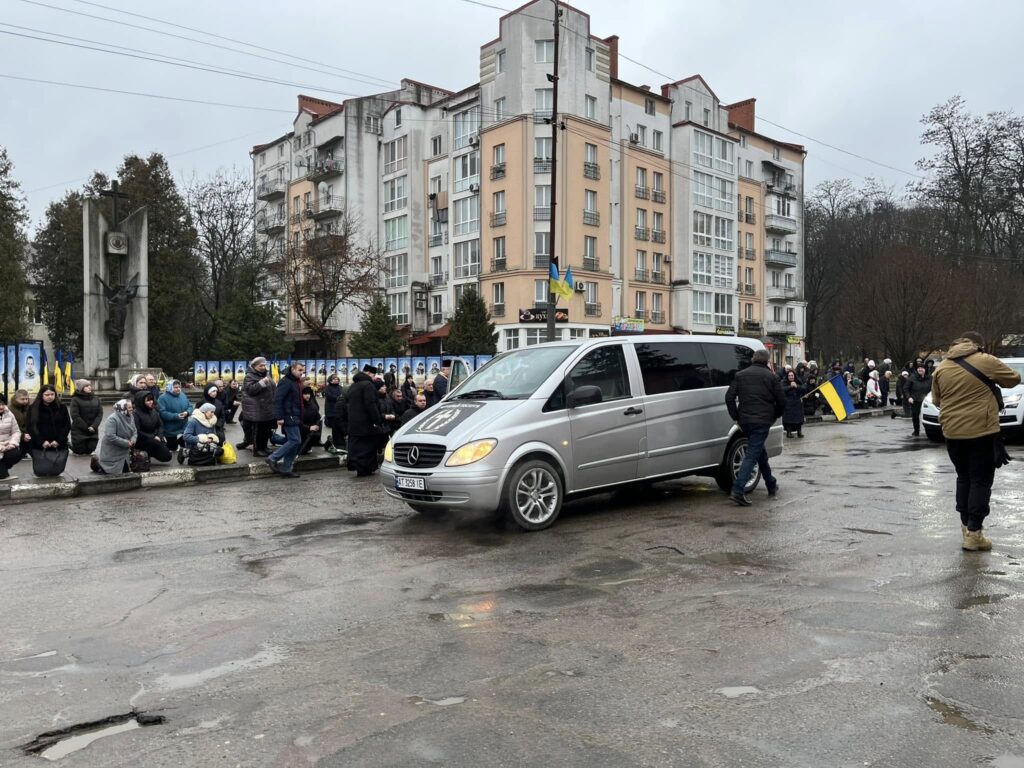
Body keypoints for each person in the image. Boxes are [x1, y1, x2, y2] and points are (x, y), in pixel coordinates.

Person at [932, 332, 1021, 551]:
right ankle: (974, 533)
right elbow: (1014, 379)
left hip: (952, 433)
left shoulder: (941, 368)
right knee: (980, 481)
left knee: (963, 478)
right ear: (977, 345)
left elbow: (936, 399)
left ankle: (965, 528)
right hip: (981, 432)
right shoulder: (986, 361)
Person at [724, 349, 785, 506]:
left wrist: (736, 417)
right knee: (752, 454)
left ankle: (771, 484)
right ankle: (738, 490)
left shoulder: (740, 375)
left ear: (753, 359)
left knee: (759, 451)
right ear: (767, 361)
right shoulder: (772, 377)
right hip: (763, 420)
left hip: (745, 420)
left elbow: (729, 397)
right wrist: (774, 416)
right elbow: (782, 401)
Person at [267, 360, 305, 479]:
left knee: (294, 442)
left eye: (303, 371)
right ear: (292, 369)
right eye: (299, 370)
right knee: (295, 440)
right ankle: (273, 458)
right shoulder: (286, 381)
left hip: (295, 415)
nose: (301, 373)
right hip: (289, 415)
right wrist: (279, 417)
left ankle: (286, 469)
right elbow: (278, 400)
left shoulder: (295, 381)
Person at [347, 364, 384, 477]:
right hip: (366, 423)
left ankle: (360, 468)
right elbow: (370, 404)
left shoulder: (354, 385)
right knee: (366, 447)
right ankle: (365, 469)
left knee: (358, 447)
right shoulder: (368, 385)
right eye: (373, 375)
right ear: (368, 373)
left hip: (354, 423)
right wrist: (377, 420)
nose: (374, 378)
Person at [240, 357, 277, 457]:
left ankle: (264, 447)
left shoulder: (266, 375)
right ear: (254, 366)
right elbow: (251, 390)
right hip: (257, 408)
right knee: (258, 430)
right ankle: (257, 450)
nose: (263, 367)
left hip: (267, 407)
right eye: (260, 365)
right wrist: (262, 383)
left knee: (266, 429)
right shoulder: (249, 376)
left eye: (264, 365)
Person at [27, 385, 71, 457]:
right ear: (41, 395)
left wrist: (58, 441)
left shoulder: (62, 407)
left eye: (52, 394)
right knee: (42, 467)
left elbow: (67, 425)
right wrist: (41, 441)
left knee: (58, 466)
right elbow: (31, 426)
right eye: (47, 395)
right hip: (39, 446)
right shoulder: (33, 408)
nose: (50, 397)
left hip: (58, 445)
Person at [96, 399, 137, 475]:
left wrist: (133, 440)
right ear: (123, 408)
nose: (132, 409)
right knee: (113, 473)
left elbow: (134, 431)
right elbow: (111, 436)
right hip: (112, 452)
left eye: (132, 407)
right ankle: (99, 463)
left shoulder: (131, 417)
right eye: (129, 407)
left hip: (124, 451)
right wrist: (127, 443)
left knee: (126, 471)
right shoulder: (112, 419)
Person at [133, 391, 172, 462]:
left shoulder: (153, 411)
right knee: (163, 453)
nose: (151, 402)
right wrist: (152, 437)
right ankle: (141, 453)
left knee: (167, 456)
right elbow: (137, 431)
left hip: (155, 438)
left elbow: (160, 425)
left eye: (151, 400)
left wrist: (159, 436)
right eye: (148, 400)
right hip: (141, 440)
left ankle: (148, 454)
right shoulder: (136, 414)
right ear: (141, 401)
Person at [67, 379, 103, 455]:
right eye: (86, 386)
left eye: (89, 385)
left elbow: (100, 414)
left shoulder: (96, 399)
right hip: (80, 429)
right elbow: (75, 416)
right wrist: (86, 428)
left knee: (90, 449)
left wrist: (94, 426)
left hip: (93, 430)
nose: (89, 387)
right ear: (81, 388)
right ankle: (71, 446)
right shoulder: (75, 400)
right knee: (79, 451)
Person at [158, 379, 191, 456]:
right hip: (170, 430)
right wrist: (176, 416)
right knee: (172, 448)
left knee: (187, 444)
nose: (178, 389)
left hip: (184, 427)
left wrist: (187, 412)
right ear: (170, 387)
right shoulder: (162, 398)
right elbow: (162, 413)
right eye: (175, 387)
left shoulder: (183, 395)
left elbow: (190, 406)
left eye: (179, 387)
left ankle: (180, 442)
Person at [905, 365, 932, 437]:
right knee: (915, 416)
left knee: (929, 416)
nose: (920, 369)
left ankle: (930, 431)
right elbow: (906, 388)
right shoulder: (912, 378)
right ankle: (916, 430)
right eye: (919, 368)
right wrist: (909, 397)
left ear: (925, 369)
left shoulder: (930, 378)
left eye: (922, 368)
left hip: (927, 400)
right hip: (915, 400)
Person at [0, 396, 22, 480]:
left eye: (2, 404)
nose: (1, 407)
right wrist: (1, 447)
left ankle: (3, 469)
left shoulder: (9, 414)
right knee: (2, 476)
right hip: (1, 446)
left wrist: (12, 443)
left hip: (8, 444)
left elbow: (16, 431)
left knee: (16, 454)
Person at [298, 386, 322, 454]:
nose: (307, 396)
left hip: (310, 430)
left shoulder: (312, 404)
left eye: (308, 394)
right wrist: (309, 428)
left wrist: (317, 425)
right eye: (305, 394)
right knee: (300, 451)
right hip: (301, 431)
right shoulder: (298, 405)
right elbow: (297, 422)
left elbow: (317, 416)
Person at [323, 373, 343, 453]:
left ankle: (338, 442)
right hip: (331, 410)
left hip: (340, 410)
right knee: (334, 428)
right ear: (330, 380)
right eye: (334, 379)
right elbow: (330, 397)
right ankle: (334, 442)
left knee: (339, 428)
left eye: (337, 379)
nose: (336, 380)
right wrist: (339, 398)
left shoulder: (340, 387)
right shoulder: (328, 388)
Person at [8, 389, 32, 456]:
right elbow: (9, 427)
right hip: (16, 438)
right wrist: (22, 435)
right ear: (16, 399)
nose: (25, 401)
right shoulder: (9, 410)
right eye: (22, 399)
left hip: (30, 437)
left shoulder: (30, 408)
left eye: (26, 399)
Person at [782, 370, 805, 438]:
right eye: (789, 375)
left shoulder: (798, 381)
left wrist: (796, 386)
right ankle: (789, 432)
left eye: (792, 375)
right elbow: (782, 390)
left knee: (799, 419)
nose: (791, 377)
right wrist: (790, 387)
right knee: (789, 419)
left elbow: (803, 388)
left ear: (794, 376)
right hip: (788, 403)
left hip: (797, 403)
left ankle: (799, 432)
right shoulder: (784, 382)